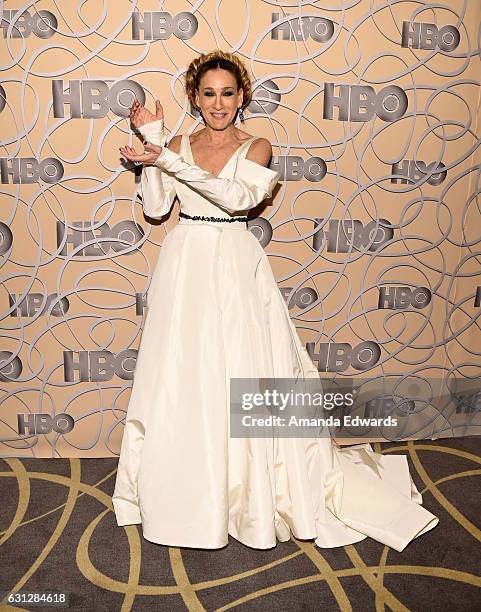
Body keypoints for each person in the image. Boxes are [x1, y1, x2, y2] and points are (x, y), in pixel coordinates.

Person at [112, 49, 439, 551]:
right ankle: (184, 493)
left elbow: (236, 200)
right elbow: (157, 207)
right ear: (195, 99)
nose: (218, 104)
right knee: (181, 376)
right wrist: (154, 144)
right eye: (208, 94)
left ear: (241, 96)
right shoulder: (175, 143)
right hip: (184, 264)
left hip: (234, 265)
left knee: (242, 371)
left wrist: (167, 158)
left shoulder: (257, 145)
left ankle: (248, 496)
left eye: (227, 93)